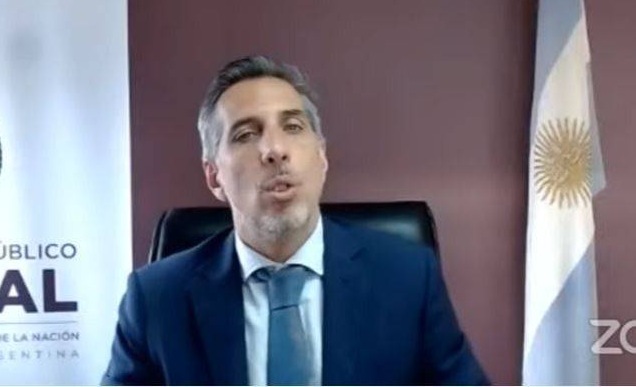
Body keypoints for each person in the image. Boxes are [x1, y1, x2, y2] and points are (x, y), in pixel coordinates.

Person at [103, 56, 489, 385]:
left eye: (292, 127)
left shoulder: (407, 278)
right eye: (246, 134)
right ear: (214, 176)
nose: (275, 150)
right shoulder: (156, 299)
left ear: (321, 157)